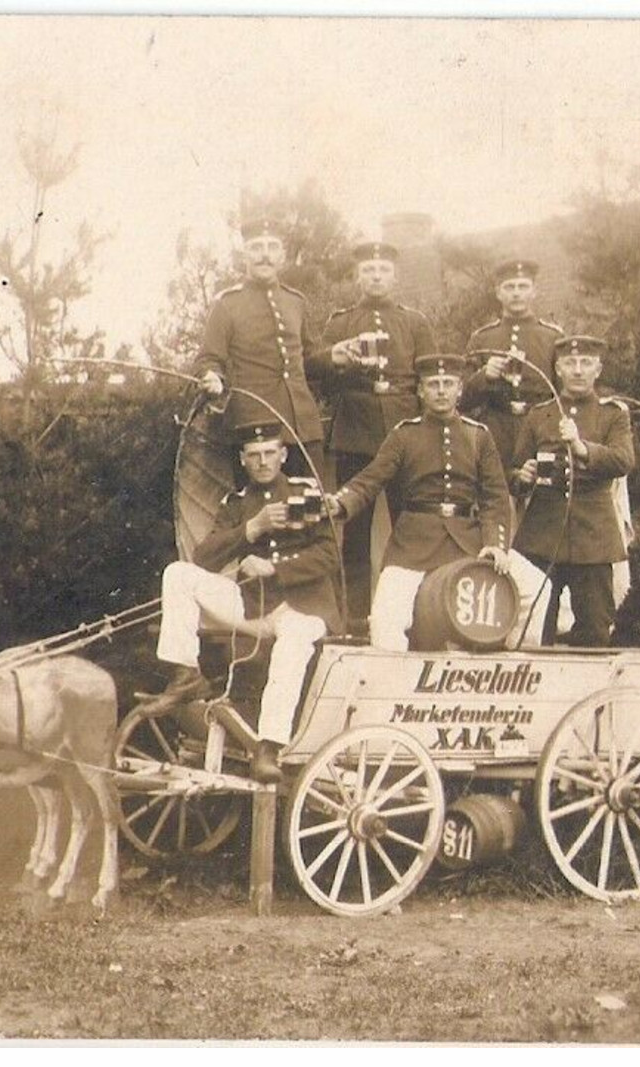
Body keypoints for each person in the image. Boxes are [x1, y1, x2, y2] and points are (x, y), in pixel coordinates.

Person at [156, 421, 341, 782]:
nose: (262, 462)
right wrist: (250, 529)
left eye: (270, 453)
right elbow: (205, 558)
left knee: (293, 646)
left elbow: (329, 555)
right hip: (253, 607)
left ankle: (269, 748)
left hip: (303, 605)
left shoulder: (306, 493)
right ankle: (185, 674)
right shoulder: (237, 504)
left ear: (283, 454)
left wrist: (274, 568)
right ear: (242, 460)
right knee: (178, 574)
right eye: (253, 455)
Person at [327, 354, 513, 652]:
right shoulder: (404, 435)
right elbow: (371, 479)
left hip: (468, 542)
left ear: (460, 390)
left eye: (448, 384)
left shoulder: (479, 436)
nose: (441, 391)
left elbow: (495, 497)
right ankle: (393, 694)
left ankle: (516, 680)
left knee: (533, 592)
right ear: (420, 391)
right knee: (385, 620)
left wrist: (494, 544)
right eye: (433, 384)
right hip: (413, 545)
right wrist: (340, 503)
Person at [315, 240, 438, 631]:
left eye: (383, 270)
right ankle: (356, 616)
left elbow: (430, 377)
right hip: (355, 432)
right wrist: (340, 365)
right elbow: (322, 381)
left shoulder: (415, 323)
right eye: (368, 270)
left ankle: (415, 612)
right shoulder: (340, 323)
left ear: (395, 276)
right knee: (355, 529)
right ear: (358, 276)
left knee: (412, 523)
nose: (376, 276)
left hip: (405, 435)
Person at [510, 335, 634, 646]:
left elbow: (623, 459)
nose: (578, 370)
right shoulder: (540, 415)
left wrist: (581, 448)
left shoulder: (613, 414)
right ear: (558, 369)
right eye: (570, 363)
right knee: (533, 631)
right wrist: (522, 477)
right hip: (541, 536)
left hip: (594, 537)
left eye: (586, 363)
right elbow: (512, 472)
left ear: (598, 370)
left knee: (594, 630)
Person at [195, 217, 328, 478]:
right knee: (260, 514)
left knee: (312, 510)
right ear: (244, 255)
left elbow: (309, 358)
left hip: (304, 427)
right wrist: (212, 377)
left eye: (272, 247)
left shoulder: (295, 301)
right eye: (256, 247)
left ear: (282, 255)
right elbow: (209, 359)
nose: (264, 255)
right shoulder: (227, 304)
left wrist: (335, 356)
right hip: (255, 429)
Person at [463, 259, 567, 467]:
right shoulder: (482, 339)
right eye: (509, 287)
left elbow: (564, 394)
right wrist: (484, 377)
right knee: (497, 493)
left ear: (534, 291)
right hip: (496, 431)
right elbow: (462, 399)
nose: (516, 293)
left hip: (542, 430)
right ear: (498, 293)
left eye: (523, 286)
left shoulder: (552, 338)